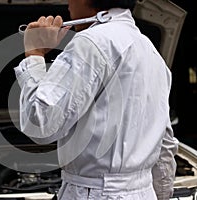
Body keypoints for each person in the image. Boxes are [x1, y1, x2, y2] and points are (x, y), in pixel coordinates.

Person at [14, 0, 178, 199]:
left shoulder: (91, 42)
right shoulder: (150, 52)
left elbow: (41, 124)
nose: (68, 3)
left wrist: (34, 54)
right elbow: (165, 144)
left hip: (95, 193)